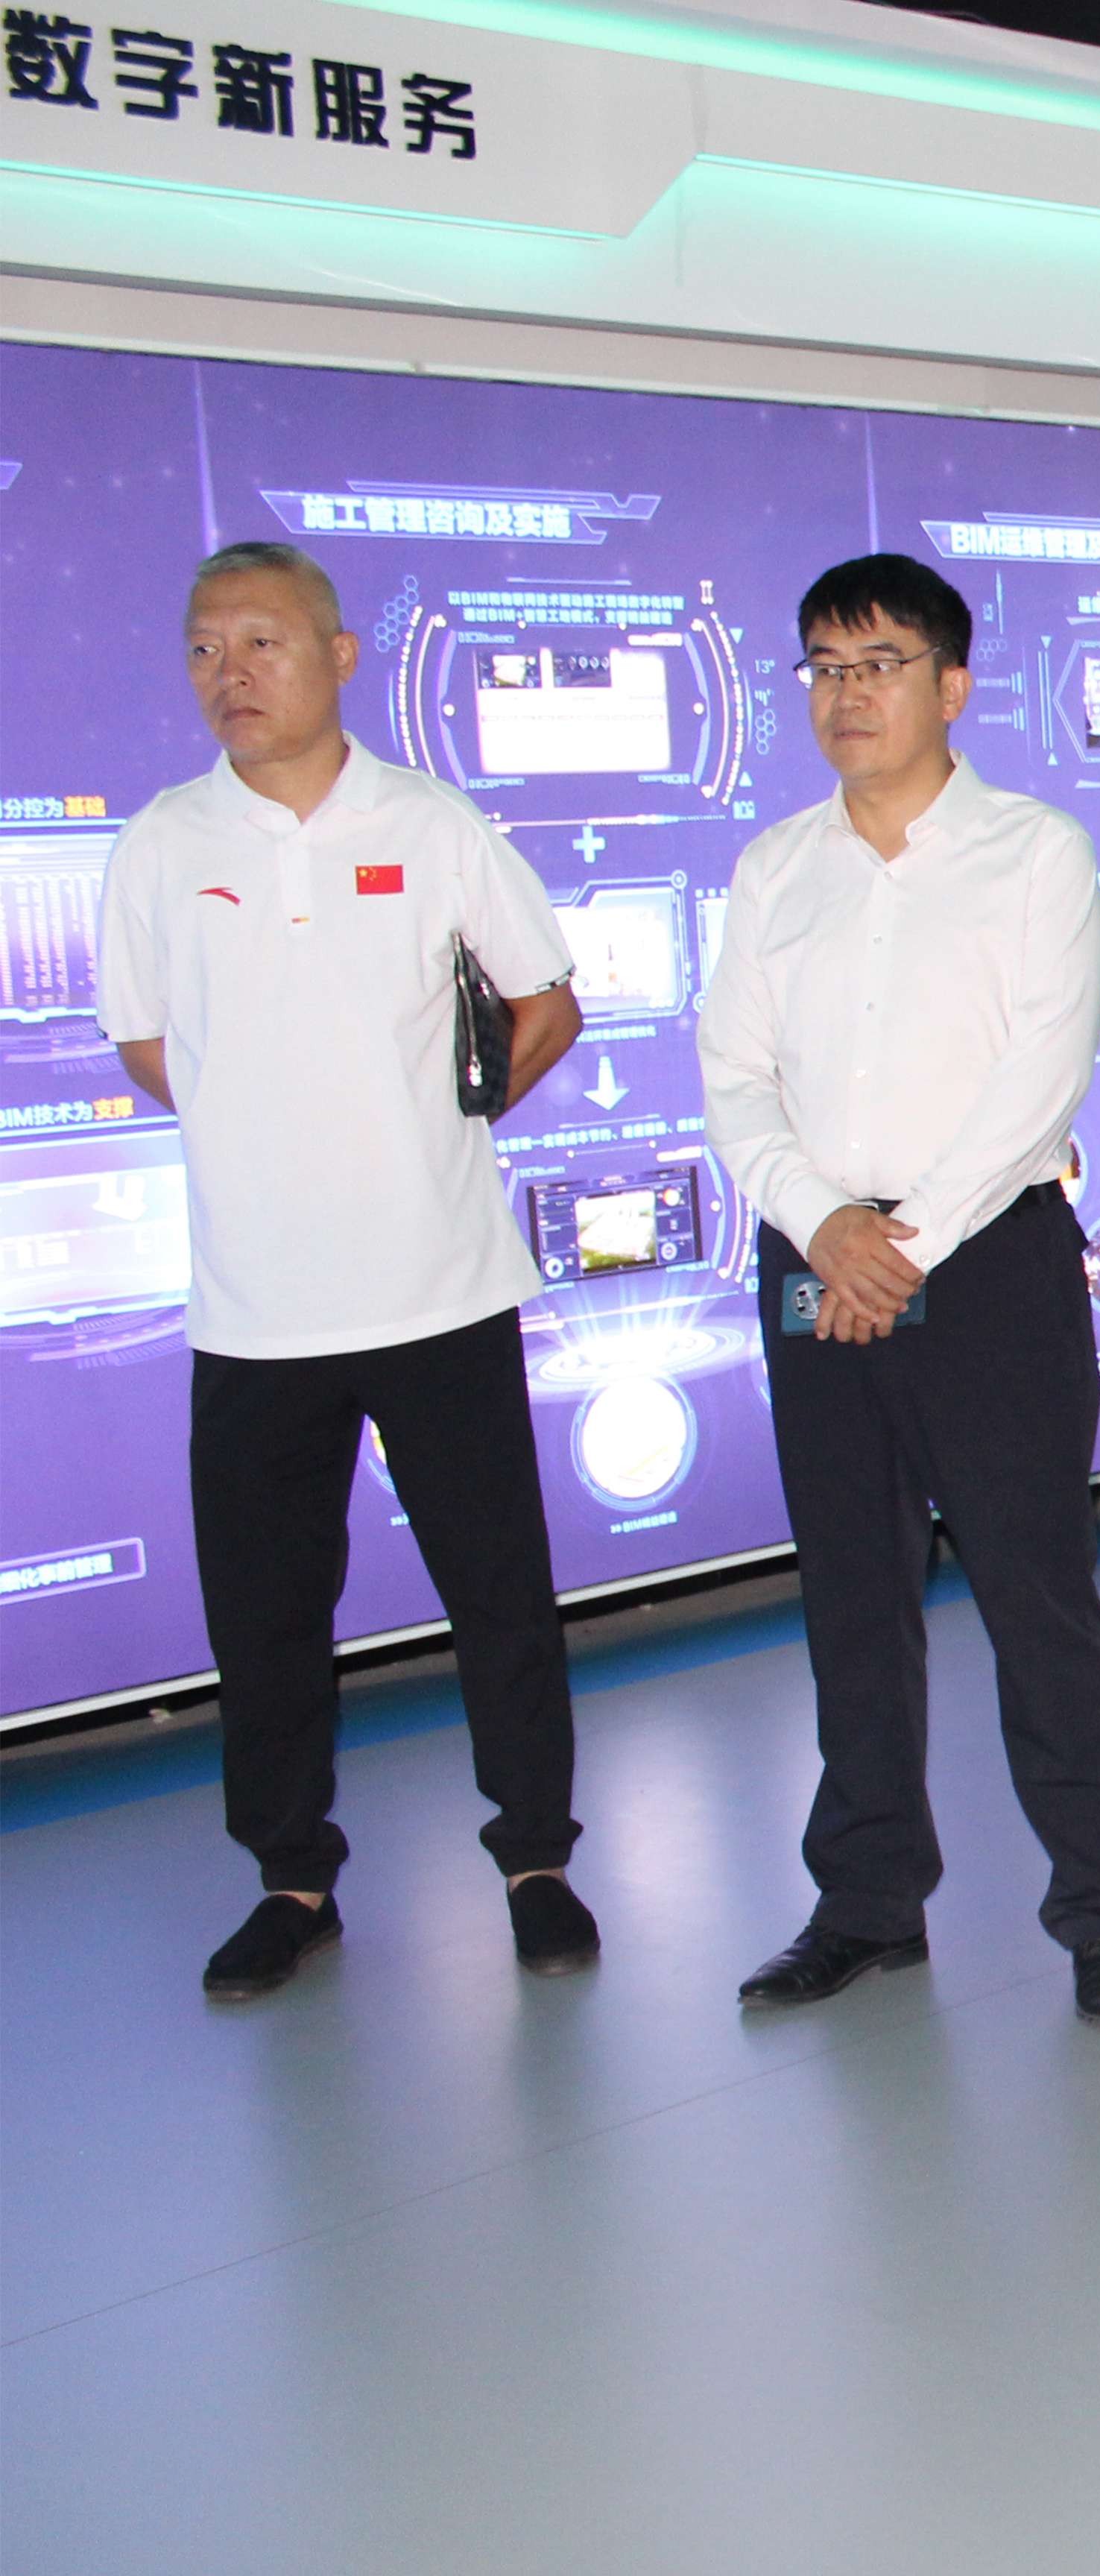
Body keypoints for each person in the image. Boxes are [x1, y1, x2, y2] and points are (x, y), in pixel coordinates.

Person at [98, 540, 592, 1999]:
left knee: (499, 1597)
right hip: (257, 1312)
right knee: (265, 1621)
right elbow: (147, 1045)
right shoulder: (164, 842)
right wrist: (272, 1130)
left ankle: (536, 1861)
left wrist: (430, 1126)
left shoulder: (429, 822)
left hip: (442, 1288)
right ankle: (292, 1880)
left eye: (261, 642)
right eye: (205, 649)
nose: (230, 674)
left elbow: (546, 1002)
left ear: (338, 655)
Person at [697, 555, 1100, 2027]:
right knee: (850, 1593)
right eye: (824, 668)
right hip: (816, 1263)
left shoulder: (1032, 853)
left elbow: (1042, 1074)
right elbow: (733, 1076)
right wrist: (823, 1222)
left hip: (988, 1263)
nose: (848, 694)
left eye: (880, 664)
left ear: (952, 686)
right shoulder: (775, 867)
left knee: (1037, 1594)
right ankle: (867, 1901)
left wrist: (901, 1242)